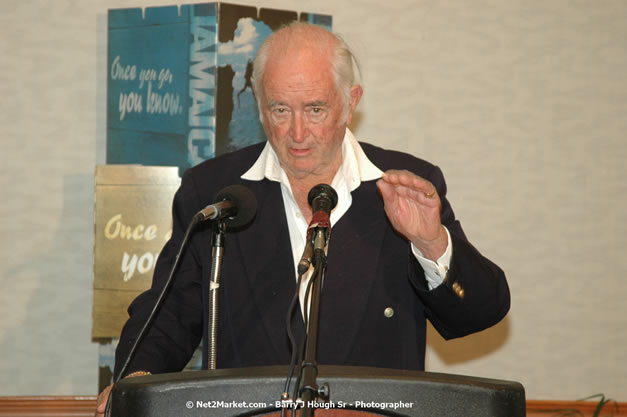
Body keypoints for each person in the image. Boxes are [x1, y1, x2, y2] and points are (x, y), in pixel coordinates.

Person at [96, 22, 510, 415]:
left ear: (351, 102)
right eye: (280, 109)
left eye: (315, 109)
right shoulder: (216, 191)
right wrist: (137, 382)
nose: (296, 133)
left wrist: (431, 243)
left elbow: (479, 313)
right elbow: (170, 310)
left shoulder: (404, 185)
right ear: (259, 105)